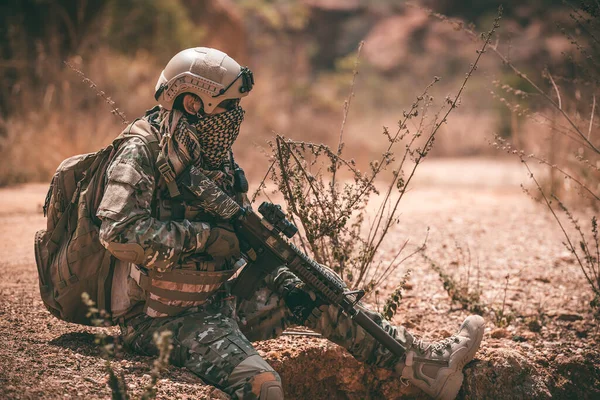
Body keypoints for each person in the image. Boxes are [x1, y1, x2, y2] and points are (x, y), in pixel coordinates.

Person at [97, 47, 485, 400]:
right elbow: (118, 233)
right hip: (159, 320)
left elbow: (237, 243)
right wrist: (205, 238)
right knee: (264, 387)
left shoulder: (215, 160)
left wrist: (276, 272)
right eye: (228, 106)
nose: (236, 117)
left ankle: (425, 366)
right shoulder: (142, 150)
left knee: (318, 291)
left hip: (219, 301)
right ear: (193, 103)